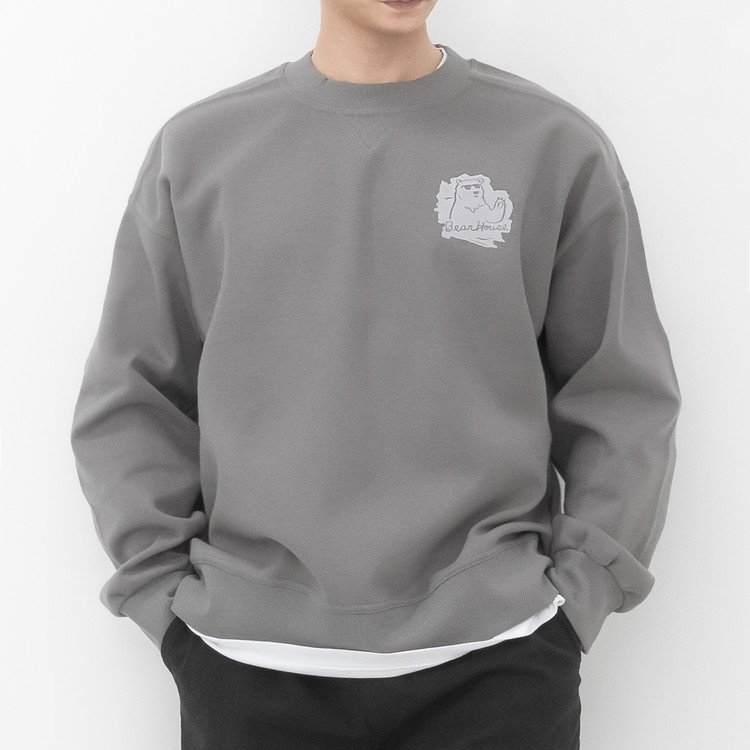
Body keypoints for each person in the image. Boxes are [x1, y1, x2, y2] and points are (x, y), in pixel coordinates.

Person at [70, 1, 682, 747]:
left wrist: (580, 597)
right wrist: (165, 606)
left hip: (501, 663)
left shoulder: (552, 145)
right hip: (248, 667)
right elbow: (131, 401)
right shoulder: (198, 152)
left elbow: (621, 396)